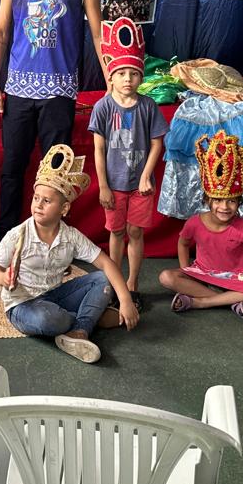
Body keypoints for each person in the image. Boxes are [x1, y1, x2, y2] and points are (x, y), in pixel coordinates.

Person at [0, 0, 105, 268]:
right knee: (12, 170)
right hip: (18, 90)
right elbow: (1, 32)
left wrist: (113, 85)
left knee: (55, 178)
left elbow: (99, 36)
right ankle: (3, 246)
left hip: (59, 92)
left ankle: (52, 252)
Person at [0, 145, 139, 363]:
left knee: (102, 279)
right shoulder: (18, 234)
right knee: (47, 319)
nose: (38, 205)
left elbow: (106, 264)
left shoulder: (71, 236)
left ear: (64, 209)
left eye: (47, 201)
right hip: (23, 305)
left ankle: (80, 330)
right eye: (36, 198)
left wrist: (125, 300)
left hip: (56, 296)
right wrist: (3, 277)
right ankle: (89, 319)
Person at [88, 18, 168, 309]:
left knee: (135, 231)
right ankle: (115, 282)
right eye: (121, 73)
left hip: (139, 186)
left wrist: (146, 176)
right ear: (111, 76)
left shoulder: (148, 106)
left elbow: (157, 143)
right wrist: (103, 186)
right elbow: (99, 149)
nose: (127, 79)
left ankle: (132, 283)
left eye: (133, 73)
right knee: (117, 232)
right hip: (114, 185)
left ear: (141, 77)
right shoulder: (103, 107)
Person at [158, 132, 243, 318]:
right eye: (218, 200)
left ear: (239, 203)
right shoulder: (194, 222)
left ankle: (202, 301)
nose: (224, 207)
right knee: (166, 277)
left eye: (231, 201)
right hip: (204, 274)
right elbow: (183, 243)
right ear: (208, 200)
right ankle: (232, 301)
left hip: (236, 277)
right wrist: (187, 269)